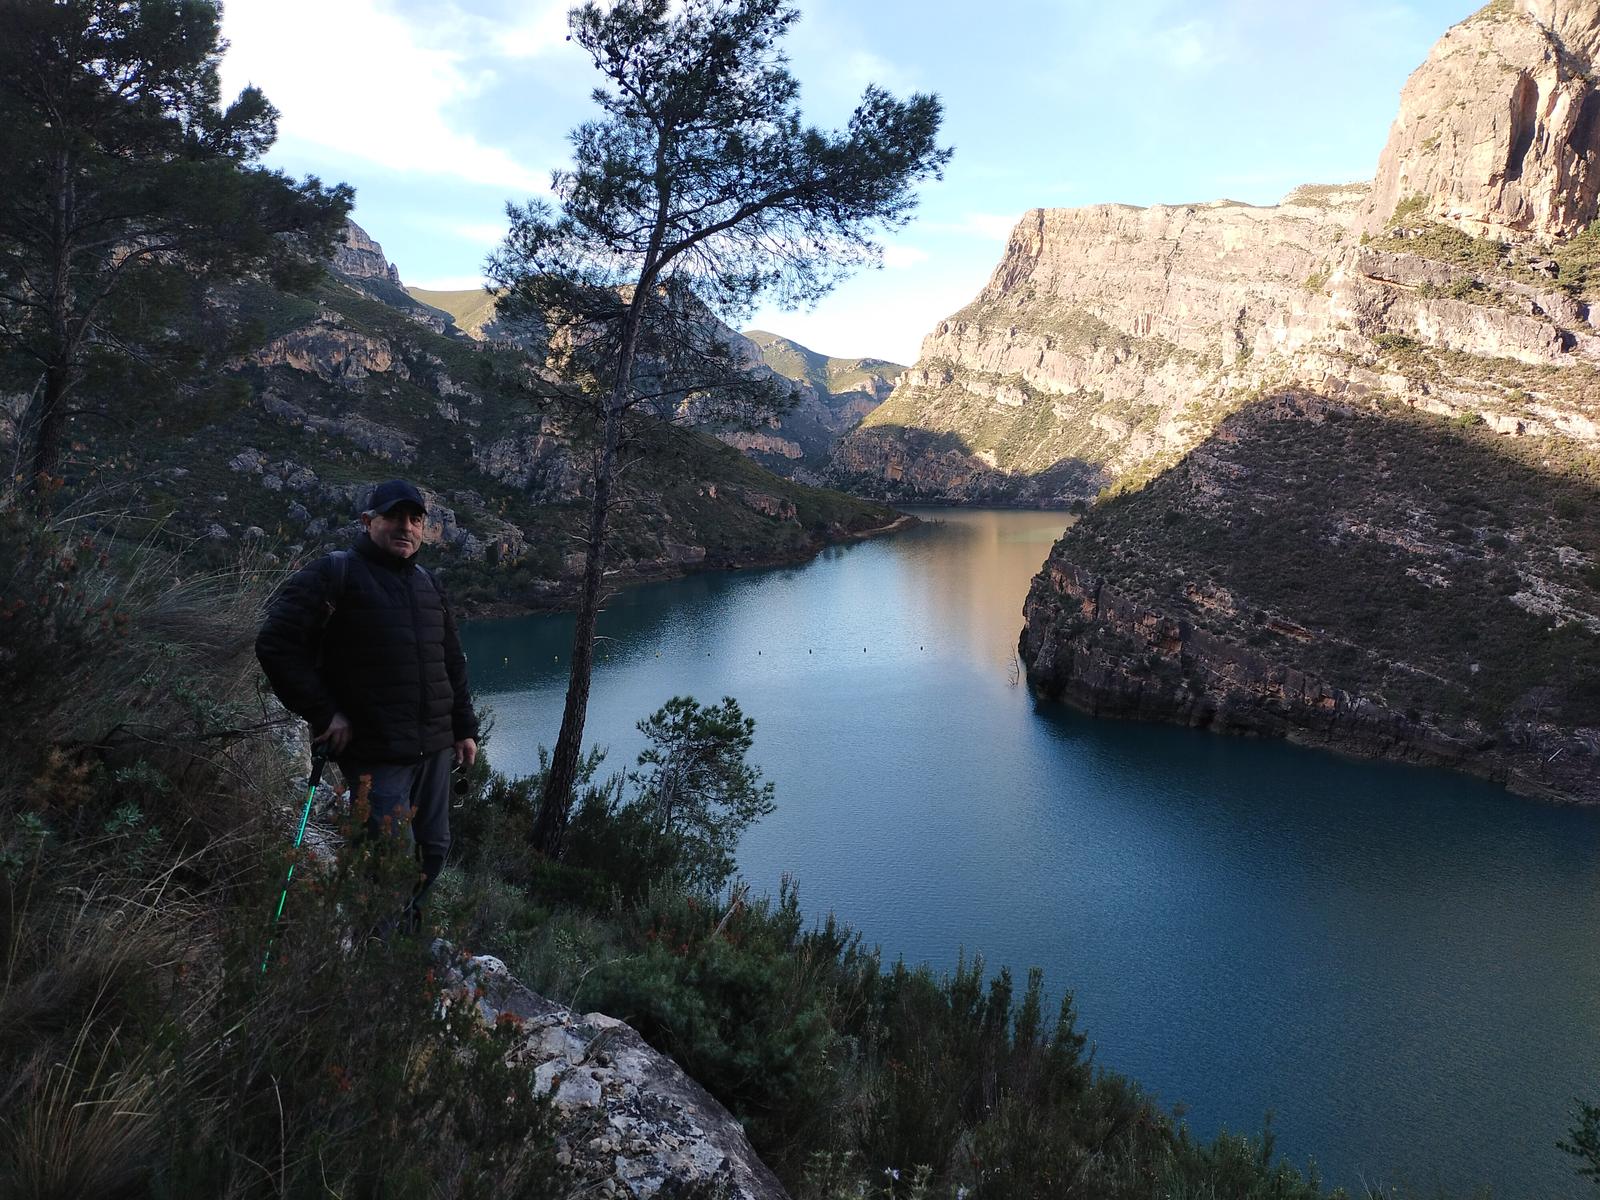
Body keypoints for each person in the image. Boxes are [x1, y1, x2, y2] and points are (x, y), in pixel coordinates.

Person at [256, 478, 479, 932]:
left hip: (434, 748)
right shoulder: (336, 574)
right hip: (376, 753)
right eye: (394, 516)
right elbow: (275, 644)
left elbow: (451, 662)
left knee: (433, 850)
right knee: (389, 860)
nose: (406, 526)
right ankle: (377, 956)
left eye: (415, 519)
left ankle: (401, 934)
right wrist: (324, 711)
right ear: (368, 522)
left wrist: (464, 726)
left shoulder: (428, 585)